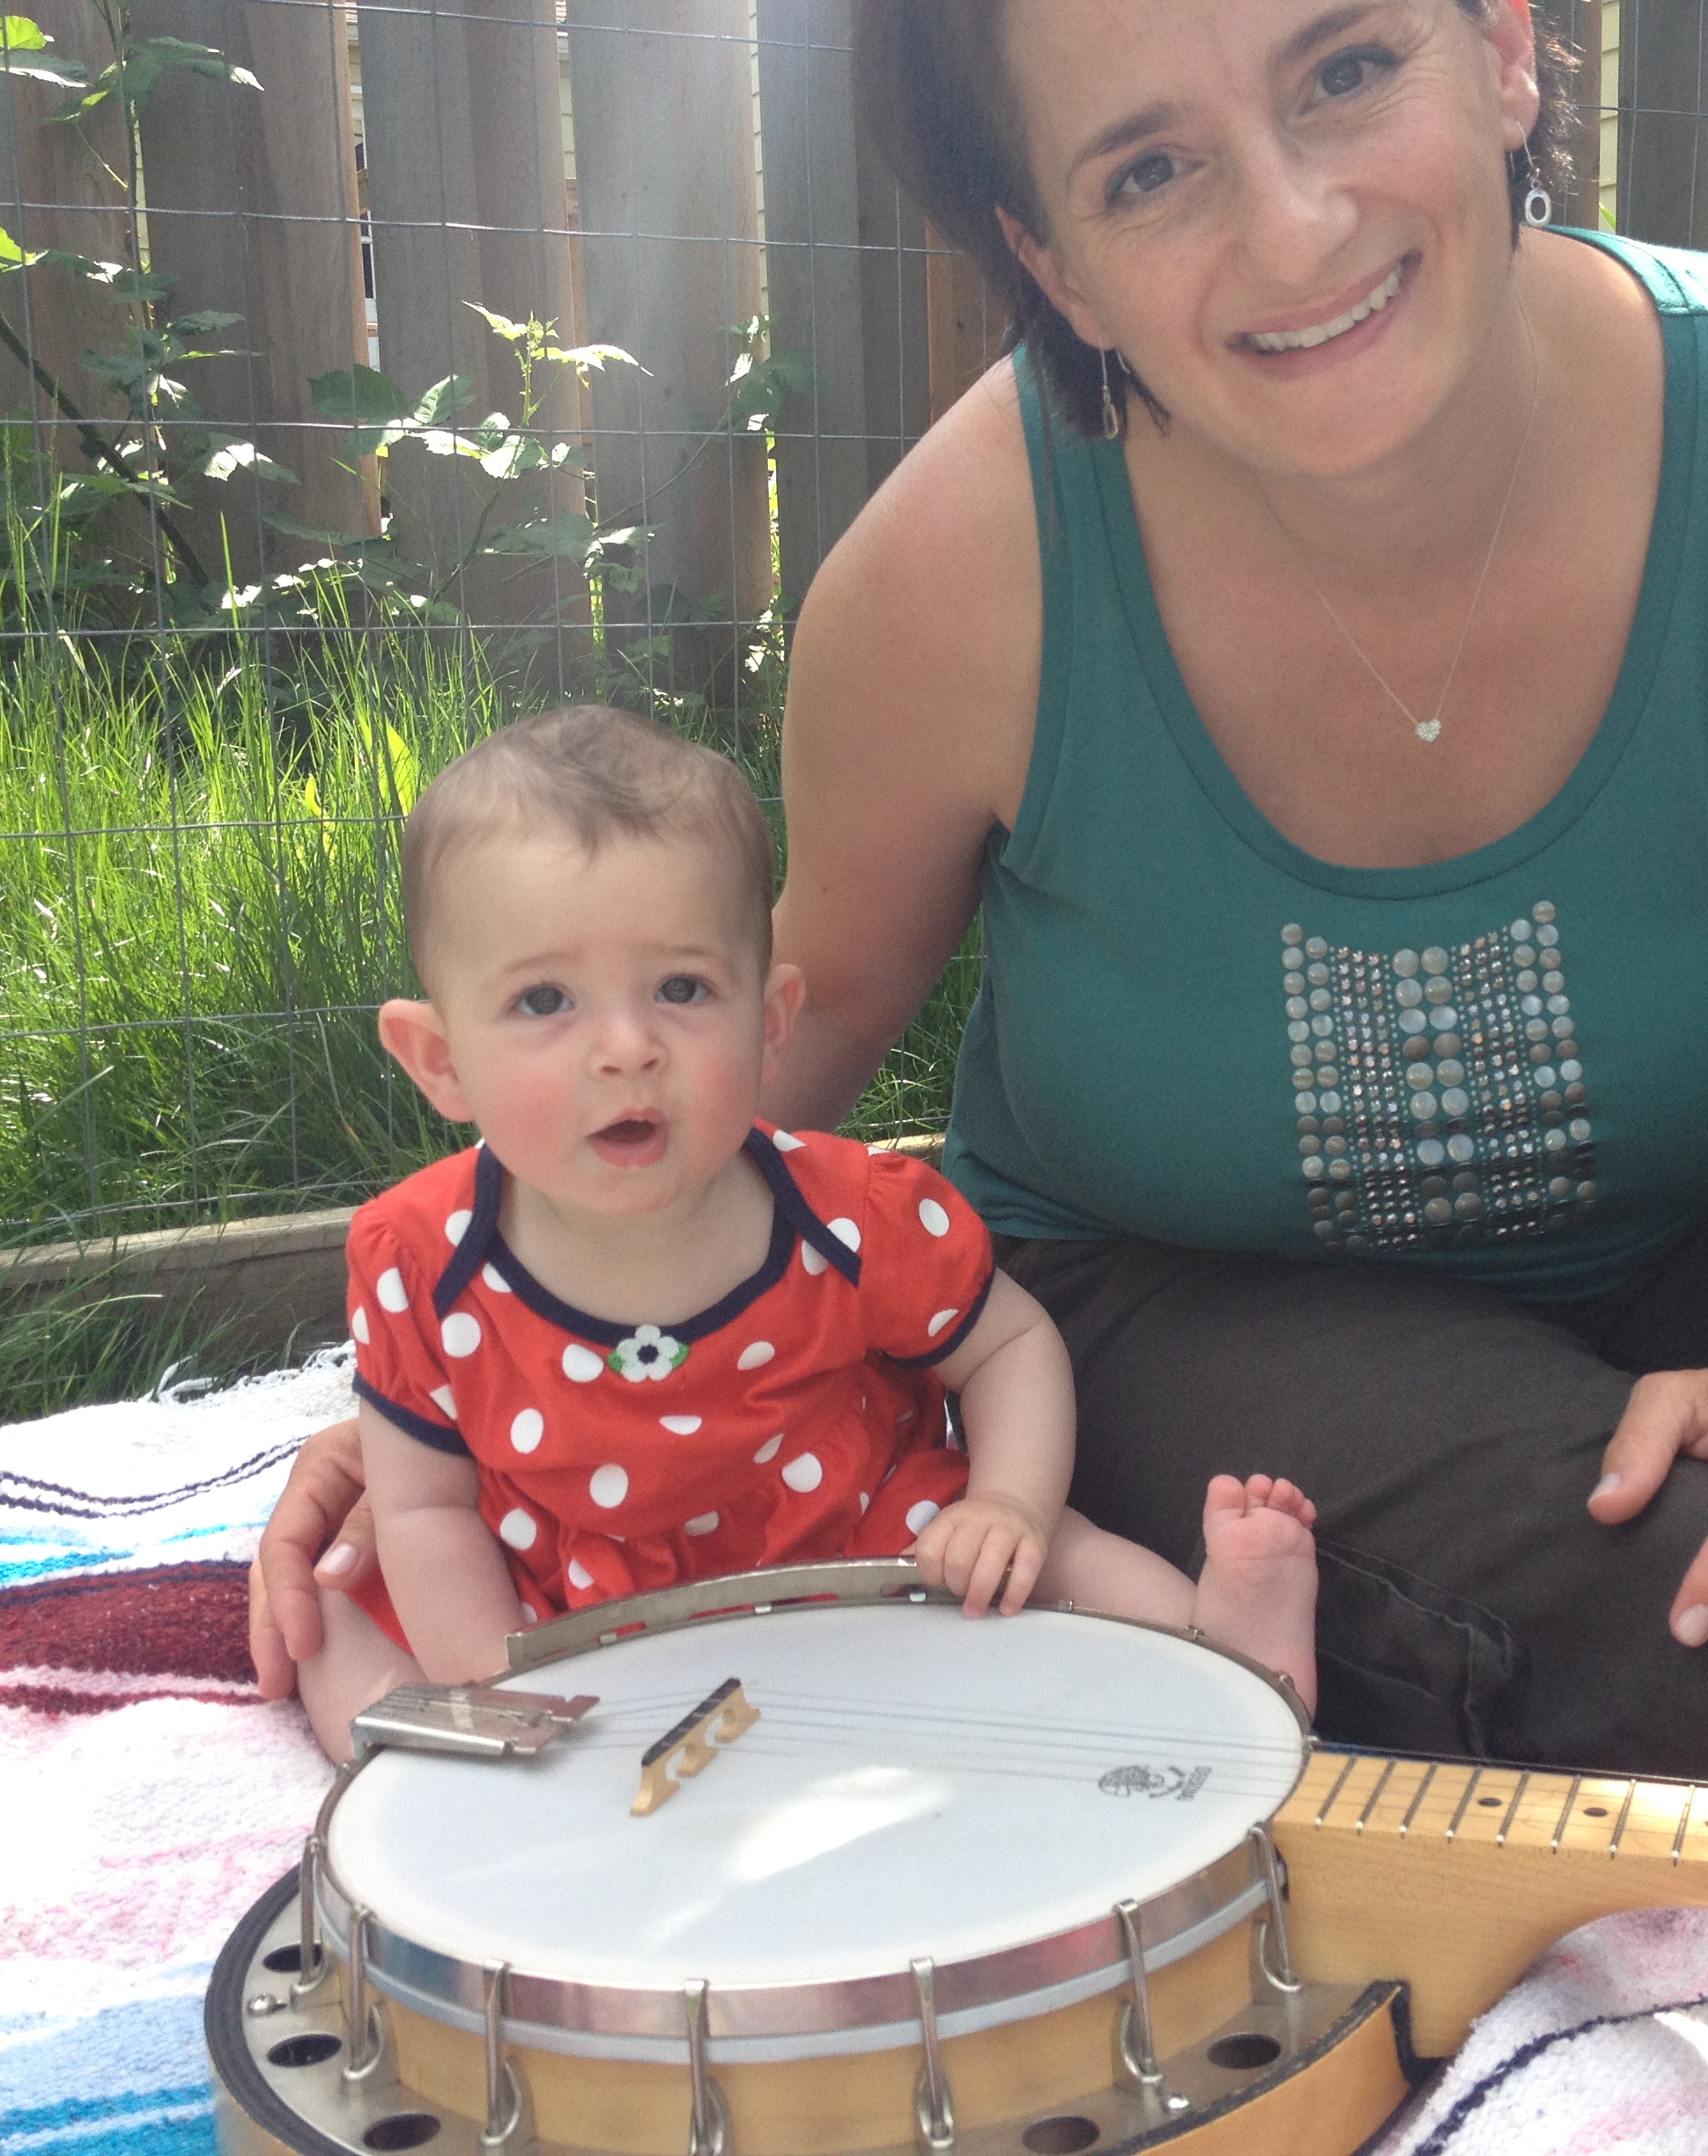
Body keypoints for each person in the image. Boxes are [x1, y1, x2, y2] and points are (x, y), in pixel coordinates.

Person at [252, 4, 1708, 2147]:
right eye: (1149, 170)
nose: (1292, 225)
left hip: (1703, 1242)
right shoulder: (954, 585)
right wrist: (457, 1382)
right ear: (1049, 260)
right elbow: (755, 1070)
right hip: (1186, 1312)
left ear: (1507, 45)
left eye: (1346, 68)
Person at [287, 704, 1319, 1760]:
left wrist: (1008, 1502)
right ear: (439, 1061)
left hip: (862, 1550)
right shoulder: (419, 1263)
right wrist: (496, 1677)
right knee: (330, 1608)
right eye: (545, 999)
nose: (628, 1047)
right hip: (575, 1605)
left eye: (682, 988)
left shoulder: (850, 1218)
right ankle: (423, 1782)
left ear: (770, 1022)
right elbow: (425, 1512)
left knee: (1052, 1551)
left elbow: (1008, 1344)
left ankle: (1230, 1655)